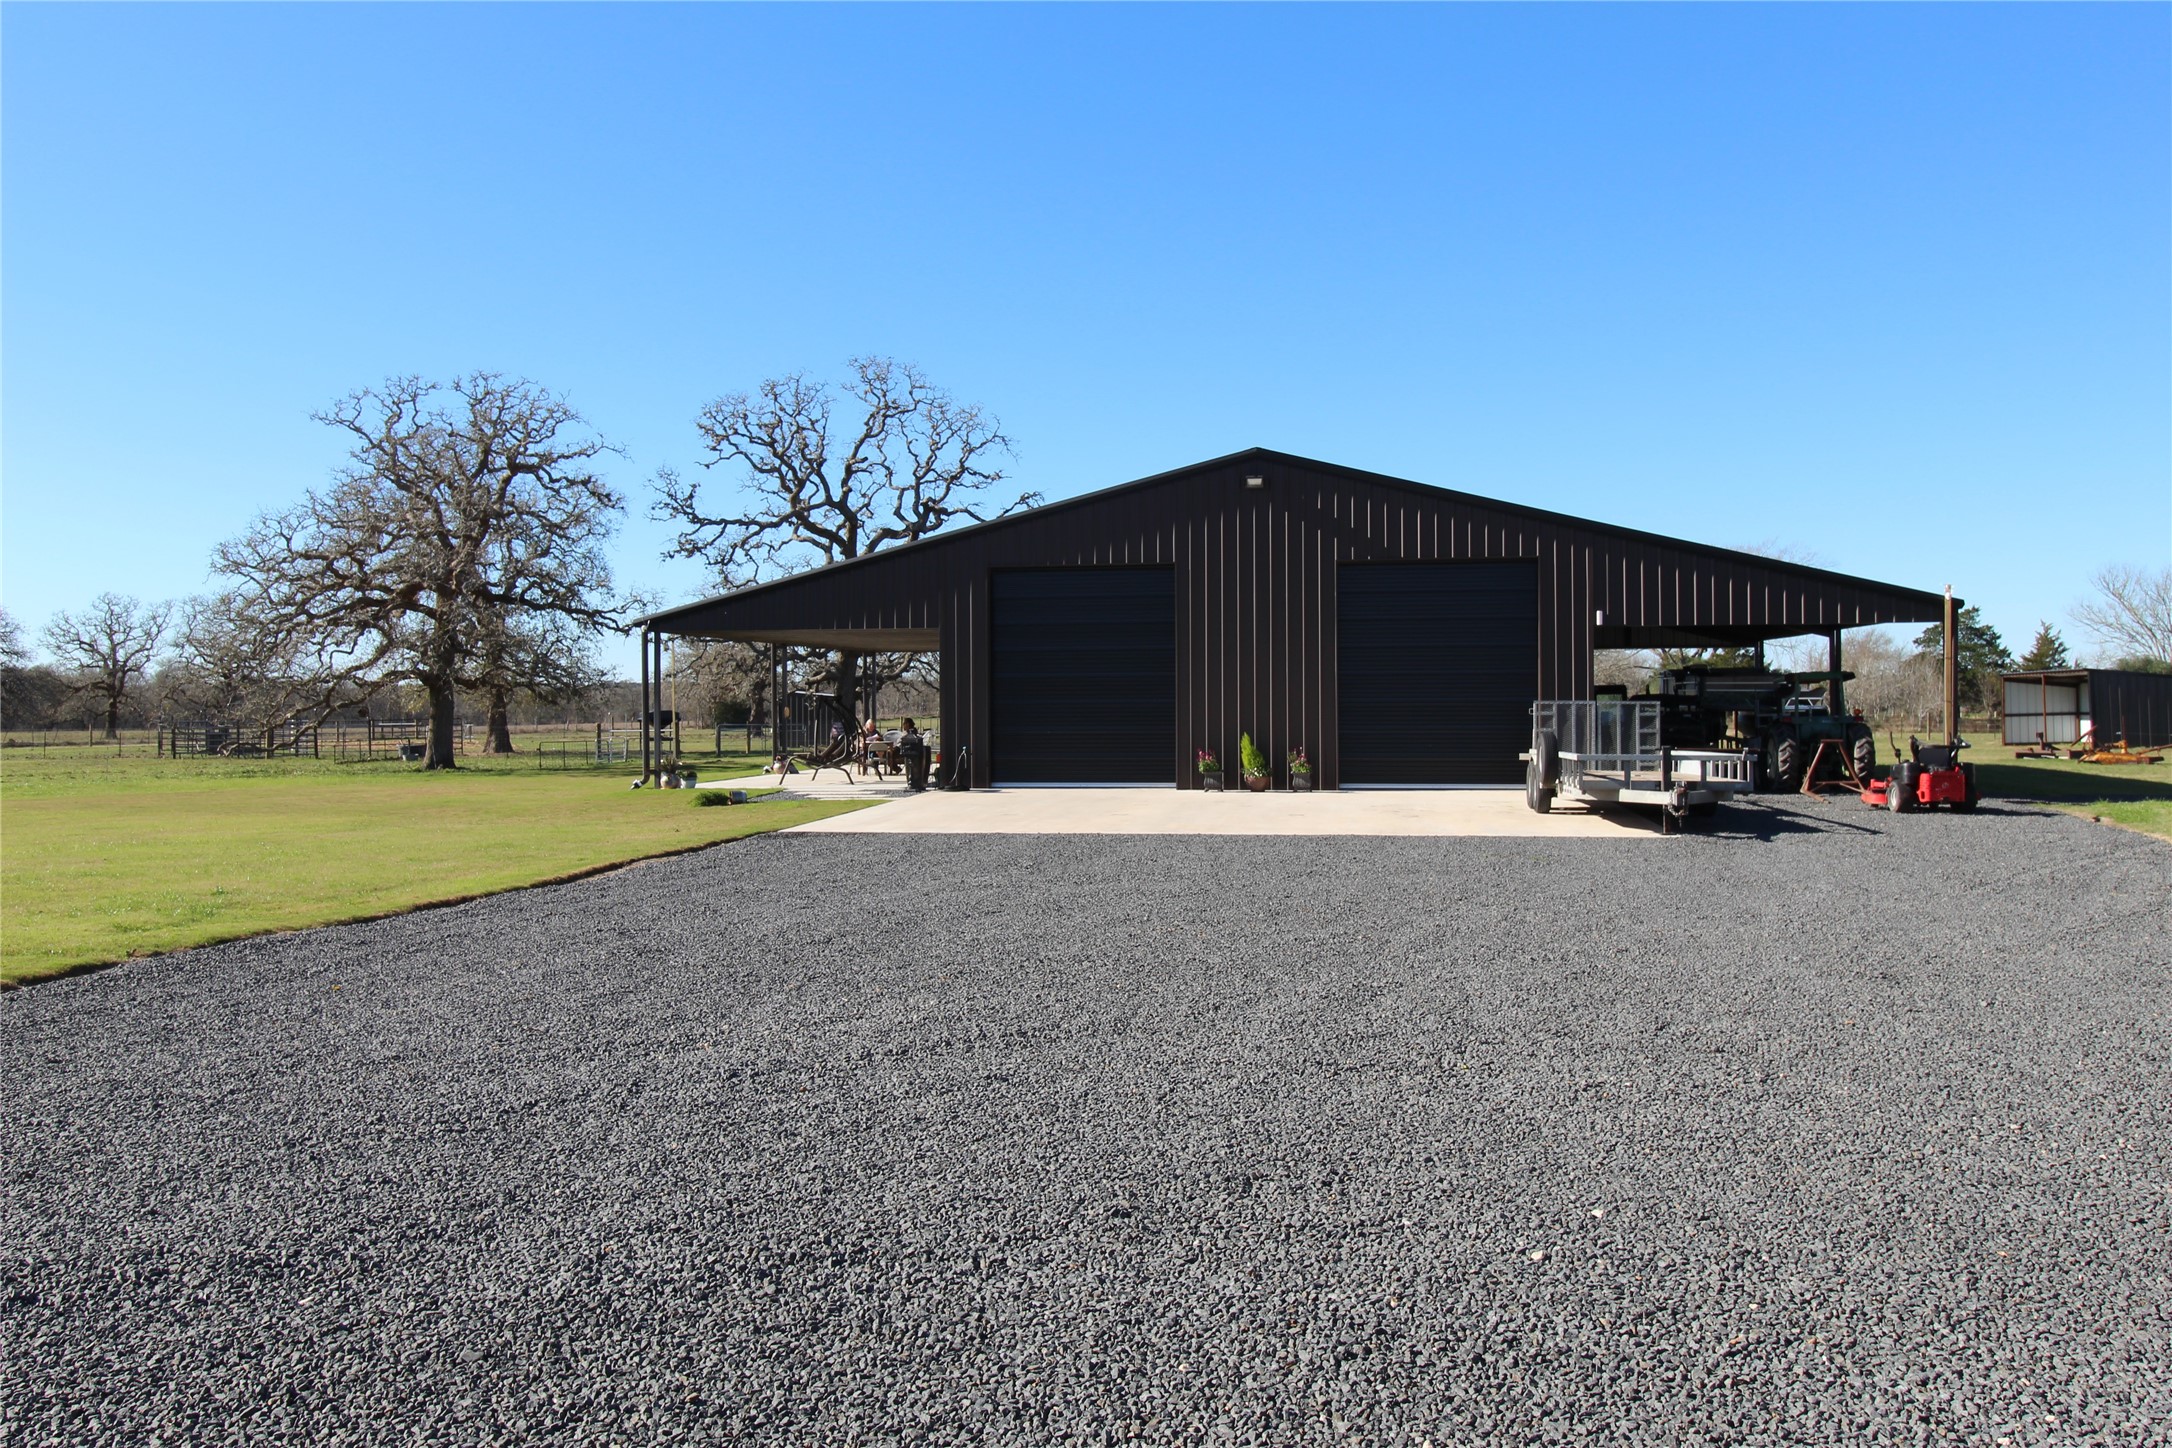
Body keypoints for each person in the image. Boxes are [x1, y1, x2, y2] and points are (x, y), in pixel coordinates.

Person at [898, 717, 928, 791]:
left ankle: (913, 782)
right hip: (906, 752)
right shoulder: (906, 733)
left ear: (908, 724)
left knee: (912, 766)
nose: (903, 725)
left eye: (904, 724)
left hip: (913, 753)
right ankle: (910, 782)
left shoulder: (912, 733)